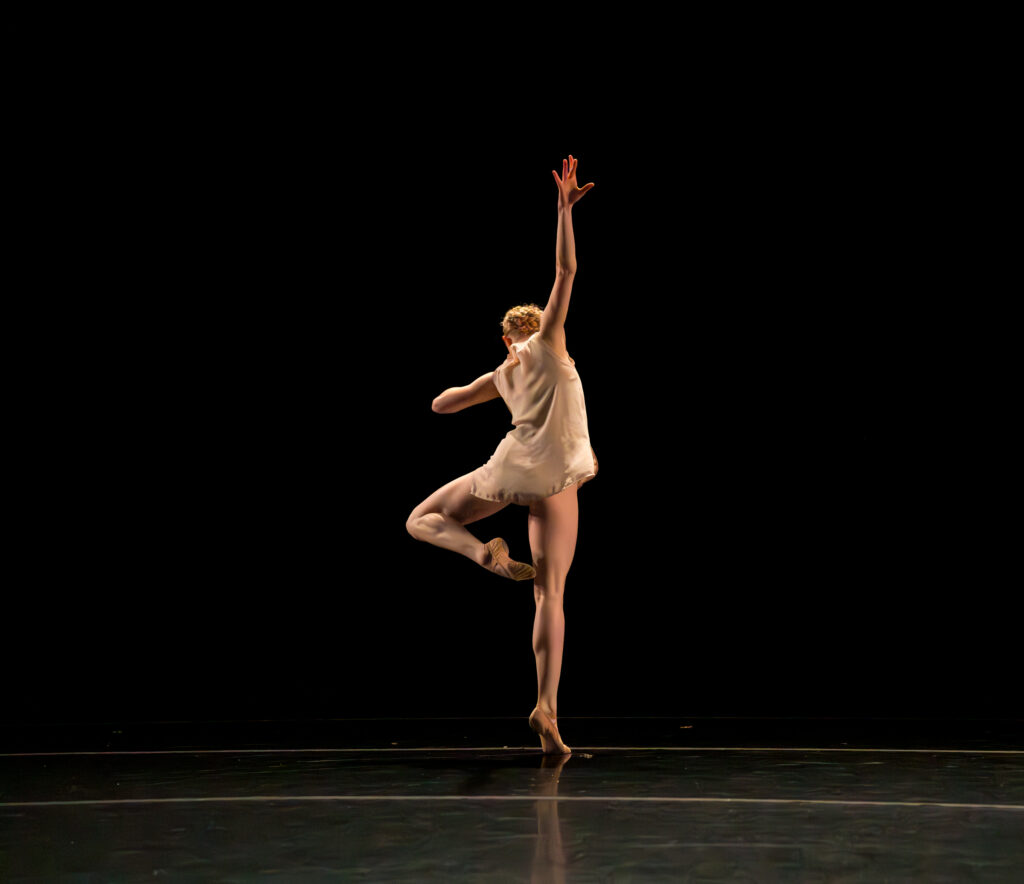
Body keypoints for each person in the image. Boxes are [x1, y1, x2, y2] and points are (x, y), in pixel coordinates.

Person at [406, 154, 597, 755]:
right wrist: (564, 212)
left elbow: (440, 406)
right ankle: (546, 707)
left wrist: (488, 379)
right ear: (539, 329)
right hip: (557, 478)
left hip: (511, 469)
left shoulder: (503, 369)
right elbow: (565, 273)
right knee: (552, 594)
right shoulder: (551, 343)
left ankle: (482, 558)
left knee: (422, 519)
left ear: (505, 337)